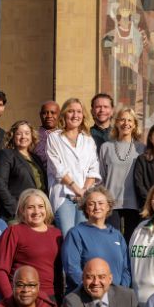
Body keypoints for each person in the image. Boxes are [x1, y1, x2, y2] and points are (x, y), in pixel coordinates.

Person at [0, 188, 63, 304]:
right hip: (23, 298)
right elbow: (1, 270)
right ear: (22, 210)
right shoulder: (14, 232)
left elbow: (59, 272)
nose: (36, 211)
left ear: (46, 208)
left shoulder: (57, 234)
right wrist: (11, 299)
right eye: (30, 207)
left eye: (41, 206)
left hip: (51, 299)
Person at [46, 97, 102, 234]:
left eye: (79, 111)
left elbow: (93, 169)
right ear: (64, 114)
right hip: (63, 196)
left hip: (84, 196)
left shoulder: (88, 141)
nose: (75, 115)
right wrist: (76, 189)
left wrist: (84, 190)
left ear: (83, 115)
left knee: (82, 236)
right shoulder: (54, 137)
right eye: (71, 111)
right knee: (67, 236)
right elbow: (57, 168)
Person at [62, 185, 132, 291]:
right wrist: (95, 290)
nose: (97, 207)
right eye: (91, 204)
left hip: (115, 300)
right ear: (85, 208)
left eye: (100, 203)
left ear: (108, 206)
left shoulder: (117, 235)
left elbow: (126, 269)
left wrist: (119, 292)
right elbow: (72, 269)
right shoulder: (76, 233)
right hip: (86, 297)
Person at [0, 120, 47, 223]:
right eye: (19, 134)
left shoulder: (36, 158)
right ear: (13, 136)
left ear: (32, 136)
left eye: (26, 133)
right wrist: (15, 208)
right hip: (16, 214)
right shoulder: (6, 154)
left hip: (36, 214)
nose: (23, 137)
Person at [98, 106, 144, 234]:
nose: (126, 124)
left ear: (134, 125)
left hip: (134, 203)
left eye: (130, 120)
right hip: (111, 202)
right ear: (116, 122)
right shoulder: (106, 147)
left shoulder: (142, 148)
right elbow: (101, 176)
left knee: (131, 240)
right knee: (112, 239)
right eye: (122, 120)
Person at [34, 100, 60, 169]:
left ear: (59, 115)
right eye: (45, 113)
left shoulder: (65, 136)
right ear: (40, 115)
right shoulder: (33, 137)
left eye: (53, 112)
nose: (49, 116)